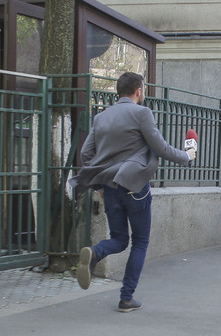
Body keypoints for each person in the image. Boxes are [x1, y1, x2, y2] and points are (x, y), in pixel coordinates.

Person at [69, 72, 195, 312]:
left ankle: (95, 252)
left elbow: (86, 155)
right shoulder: (142, 113)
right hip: (135, 187)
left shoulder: (101, 118)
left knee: (119, 239)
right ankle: (126, 298)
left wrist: (98, 186)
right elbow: (161, 148)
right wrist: (186, 156)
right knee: (140, 241)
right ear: (138, 90)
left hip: (109, 187)